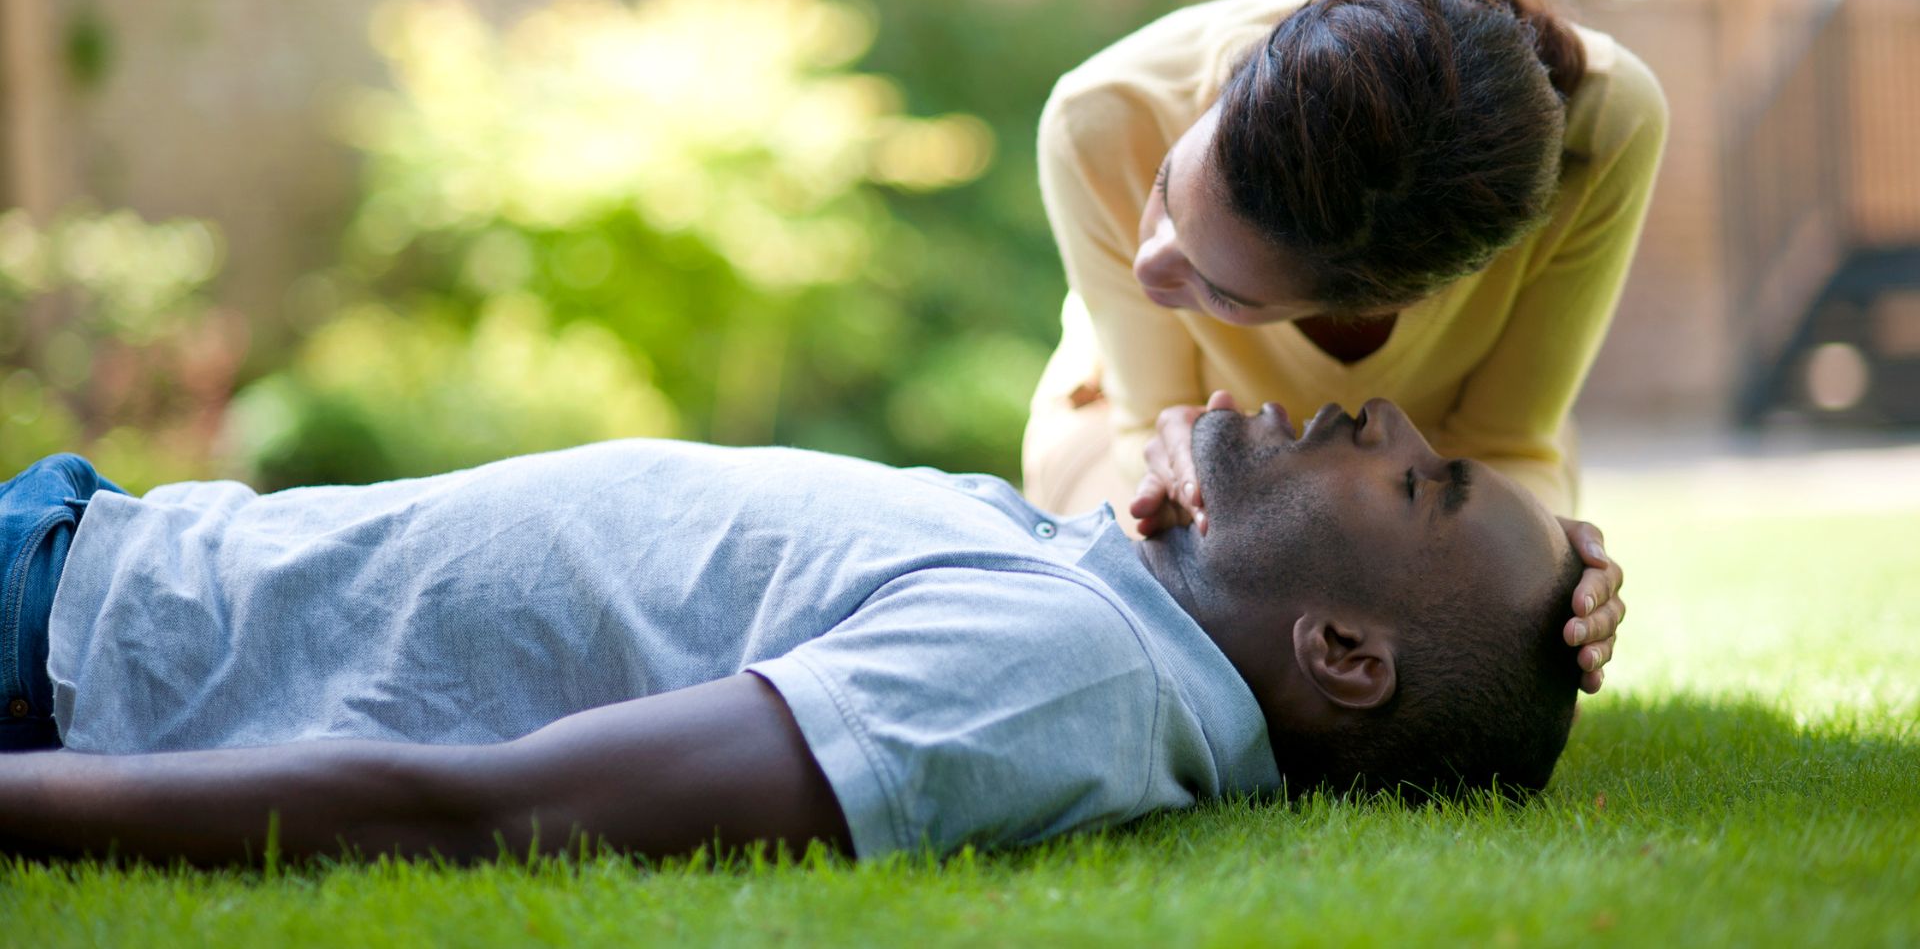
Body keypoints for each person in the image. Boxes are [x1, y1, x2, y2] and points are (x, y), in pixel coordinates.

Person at [0, 398, 1591, 865]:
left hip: (71, 628)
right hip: (109, 543)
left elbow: (498, 809)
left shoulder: (1060, 673)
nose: (1386, 413)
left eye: (1424, 485)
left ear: (1344, 658)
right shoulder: (1106, 591)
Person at [1022, 0, 1662, 694]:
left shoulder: (1609, 128)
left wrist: (1536, 574)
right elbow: (1147, 432)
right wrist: (1173, 472)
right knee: (1147, 648)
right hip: (1124, 442)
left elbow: (1506, 443)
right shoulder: (1103, 116)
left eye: (1222, 291)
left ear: (1391, 299)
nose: (1149, 268)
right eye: (1168, 187)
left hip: (1412, 512)